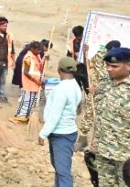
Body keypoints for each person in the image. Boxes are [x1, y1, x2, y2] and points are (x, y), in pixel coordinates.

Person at [95, 47, 130, 186]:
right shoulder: (104, 84)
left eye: (114, 66)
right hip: (104, 153)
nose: (109, 69)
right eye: (107, 65)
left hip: (128, 157)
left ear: (129, 65)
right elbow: (101, 116)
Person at [38, 57, 83, 187]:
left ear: (59, 70)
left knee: (62, 172)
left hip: (60, 134)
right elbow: (77, 108)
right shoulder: (75, 85)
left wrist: (43, 134)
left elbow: (54, 115)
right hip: (68, 132)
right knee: (59, 168)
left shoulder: (61, 89)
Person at [77, 40, 121, 151]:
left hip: (108, 95)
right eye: (107, 51)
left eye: (110, 51)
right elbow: (88, 64)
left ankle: (100, 146)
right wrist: (85, 52)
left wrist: (99, 89)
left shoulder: (120, 63)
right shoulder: (100, 55)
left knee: (104, 119)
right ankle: (82, 141)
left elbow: (118, 81)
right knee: (88, 115)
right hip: (93, 93)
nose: (107, 53)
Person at [10, 41, 47, 123]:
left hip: (36, 83)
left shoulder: (37, 56)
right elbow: (26, 72)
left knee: (32, 101)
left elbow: (40, 66)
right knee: (26, 101)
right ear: (32, 49)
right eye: (37, 50)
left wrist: (45, 59)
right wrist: (36, 81)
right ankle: (19, 117)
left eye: (40, 50)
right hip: (29, 83)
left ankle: (27, 117)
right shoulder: (28, 58)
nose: (39, 52)